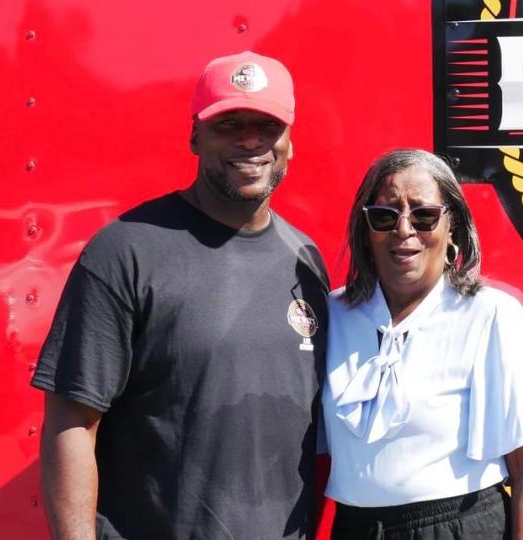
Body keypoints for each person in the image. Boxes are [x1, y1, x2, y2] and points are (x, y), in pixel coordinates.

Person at [31, 51, 329, 539]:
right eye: (228, 123)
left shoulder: (306, 262)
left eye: (266, 125)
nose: (249, 141)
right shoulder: (126, 251)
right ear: (195, 135)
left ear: (290, 143)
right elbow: (71, 422)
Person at [323, 149, 523, 539]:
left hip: (457, 527)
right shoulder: (333, 315)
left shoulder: (492, 315)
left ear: (454, 227)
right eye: (384, 215)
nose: (403, 229)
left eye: (423, 215)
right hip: (355, 529)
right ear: (366, 231)